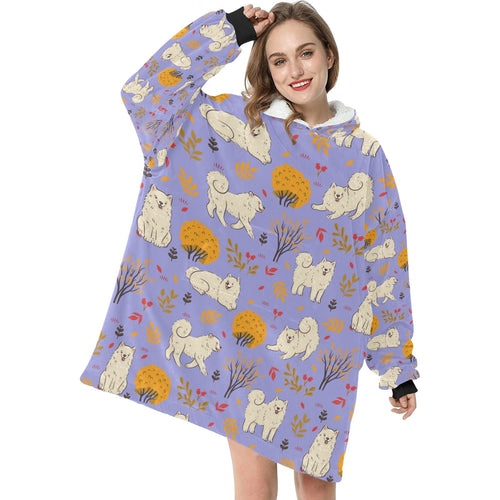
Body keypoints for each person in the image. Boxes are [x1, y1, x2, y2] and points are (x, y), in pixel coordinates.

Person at [80, 3, 419, 499]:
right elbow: (145, 94)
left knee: (316, 486)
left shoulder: (365, 155)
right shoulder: (232, 125)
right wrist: (230, 31)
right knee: (255, 487)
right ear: (267, 68)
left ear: (329, 55)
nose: (295, 69)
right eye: (279, 60)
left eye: (306, 53)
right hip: (247, 337)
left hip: (325, 344)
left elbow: (386, 259)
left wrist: (397, 368)